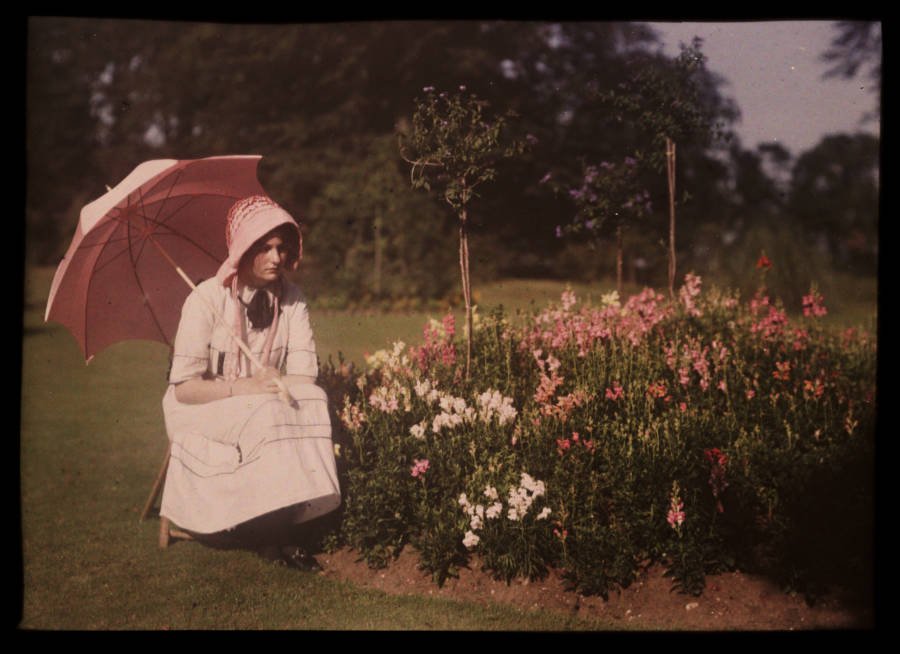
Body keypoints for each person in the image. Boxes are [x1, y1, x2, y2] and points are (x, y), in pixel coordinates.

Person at [159, 195, 340, 570]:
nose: (277, 258)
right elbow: (185, 389)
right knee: (267, 410)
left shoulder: (292, 299)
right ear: (243, 249)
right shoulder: (206, 299)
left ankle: (285, 519)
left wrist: (273, 380)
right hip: (199, 407)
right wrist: (243, 388)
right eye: (265, 248)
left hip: (260, 401)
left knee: (314, 398)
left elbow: (305, 375)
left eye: (281, 248)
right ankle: (273, 537)